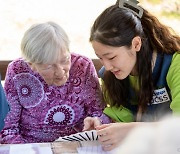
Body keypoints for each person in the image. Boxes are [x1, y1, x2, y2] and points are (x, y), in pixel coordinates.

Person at [86, 0, 180, 151]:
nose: (107, 67)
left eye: (111, 57)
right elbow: (123, 117)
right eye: (101, 58)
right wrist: (101, 123)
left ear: (136, 44)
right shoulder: (114, 76)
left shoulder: (174, 65)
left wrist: (132, 130)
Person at [0, 21, 110, 144]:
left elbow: (99, 113)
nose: (59, 72)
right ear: (31, 64)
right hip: (31, 146)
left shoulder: (82, 66)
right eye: (49, 66)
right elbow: (7, 128)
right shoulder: (17, 71)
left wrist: (97, 122)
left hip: (76, 145)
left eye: (65, 60)